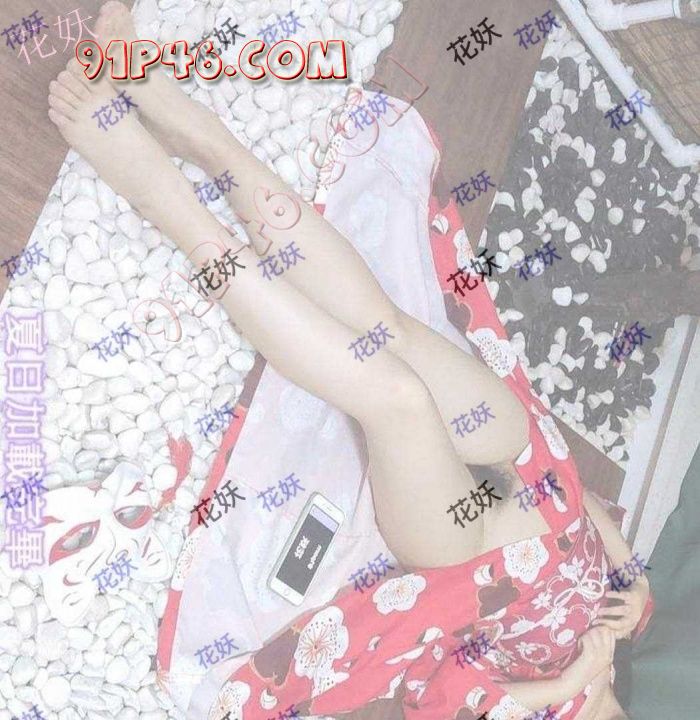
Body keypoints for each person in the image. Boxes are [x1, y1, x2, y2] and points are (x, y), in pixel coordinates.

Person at [47, 4, 651, 718]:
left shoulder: (556, 707)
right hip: (531, 469)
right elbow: (589, 516)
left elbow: (440, 697)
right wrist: (628, 571)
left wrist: (568, 685)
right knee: (388, 328)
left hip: (467, 545)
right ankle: (187, 122)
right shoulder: (632, 623)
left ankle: (161, 194)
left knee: (397, 397)